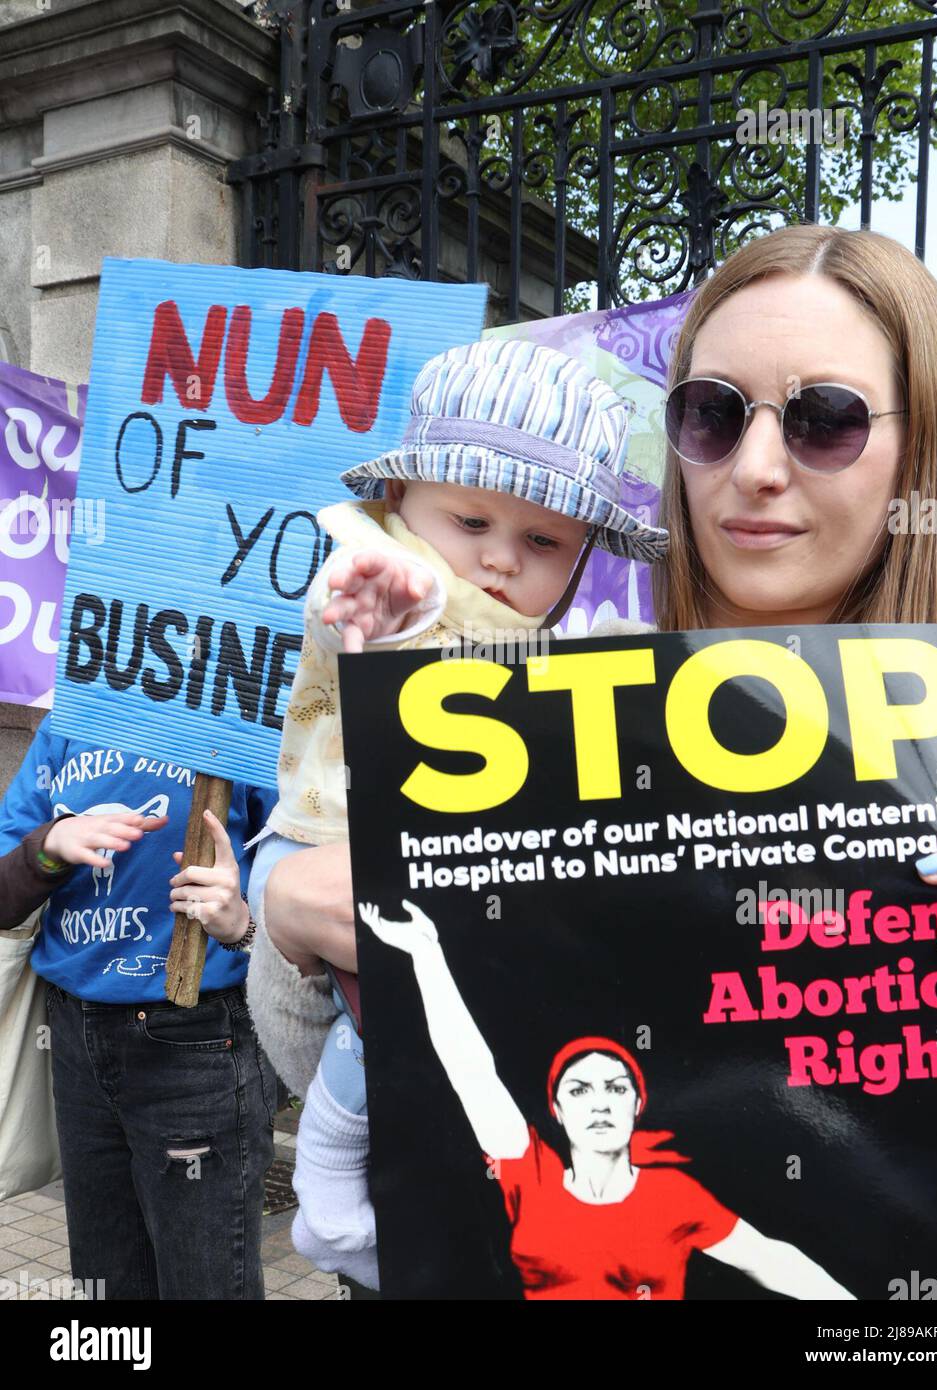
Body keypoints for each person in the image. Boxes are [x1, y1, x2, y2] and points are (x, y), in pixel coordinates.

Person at [247, 222, 937, 1287]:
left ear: (925, 448)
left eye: (826, 420)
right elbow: (383, 1059)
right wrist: (282, 901)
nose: (758, 468)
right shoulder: (566, 699)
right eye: (713, 415)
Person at [247, 337, 668, 1289]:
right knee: (375, 1032)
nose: (498, 561)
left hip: (463, 885)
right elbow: (357, 604)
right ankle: (327, 1173)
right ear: (400, 503)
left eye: (544, 543)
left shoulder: (552, 641)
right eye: (471, 518)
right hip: (338, 842)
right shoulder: (389, 574)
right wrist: (382, 605)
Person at [359, 897, 854, 1300]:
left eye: (616, 1088)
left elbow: (769, 1258)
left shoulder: (672, 1196)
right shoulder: (531, 1178)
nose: (599, 1102)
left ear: (637, 1106)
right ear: (557, 1109)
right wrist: (427, 955)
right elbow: (472, 1073)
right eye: (579, 1089)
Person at [0, 712, 278, 1300]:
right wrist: (48, 848)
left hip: (199, 1040)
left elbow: (312, 882)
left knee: (207, 1285)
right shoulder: (70, 718)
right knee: (107, 1289)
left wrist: (244, 924)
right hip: (73, 1035)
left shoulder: (249, 717)